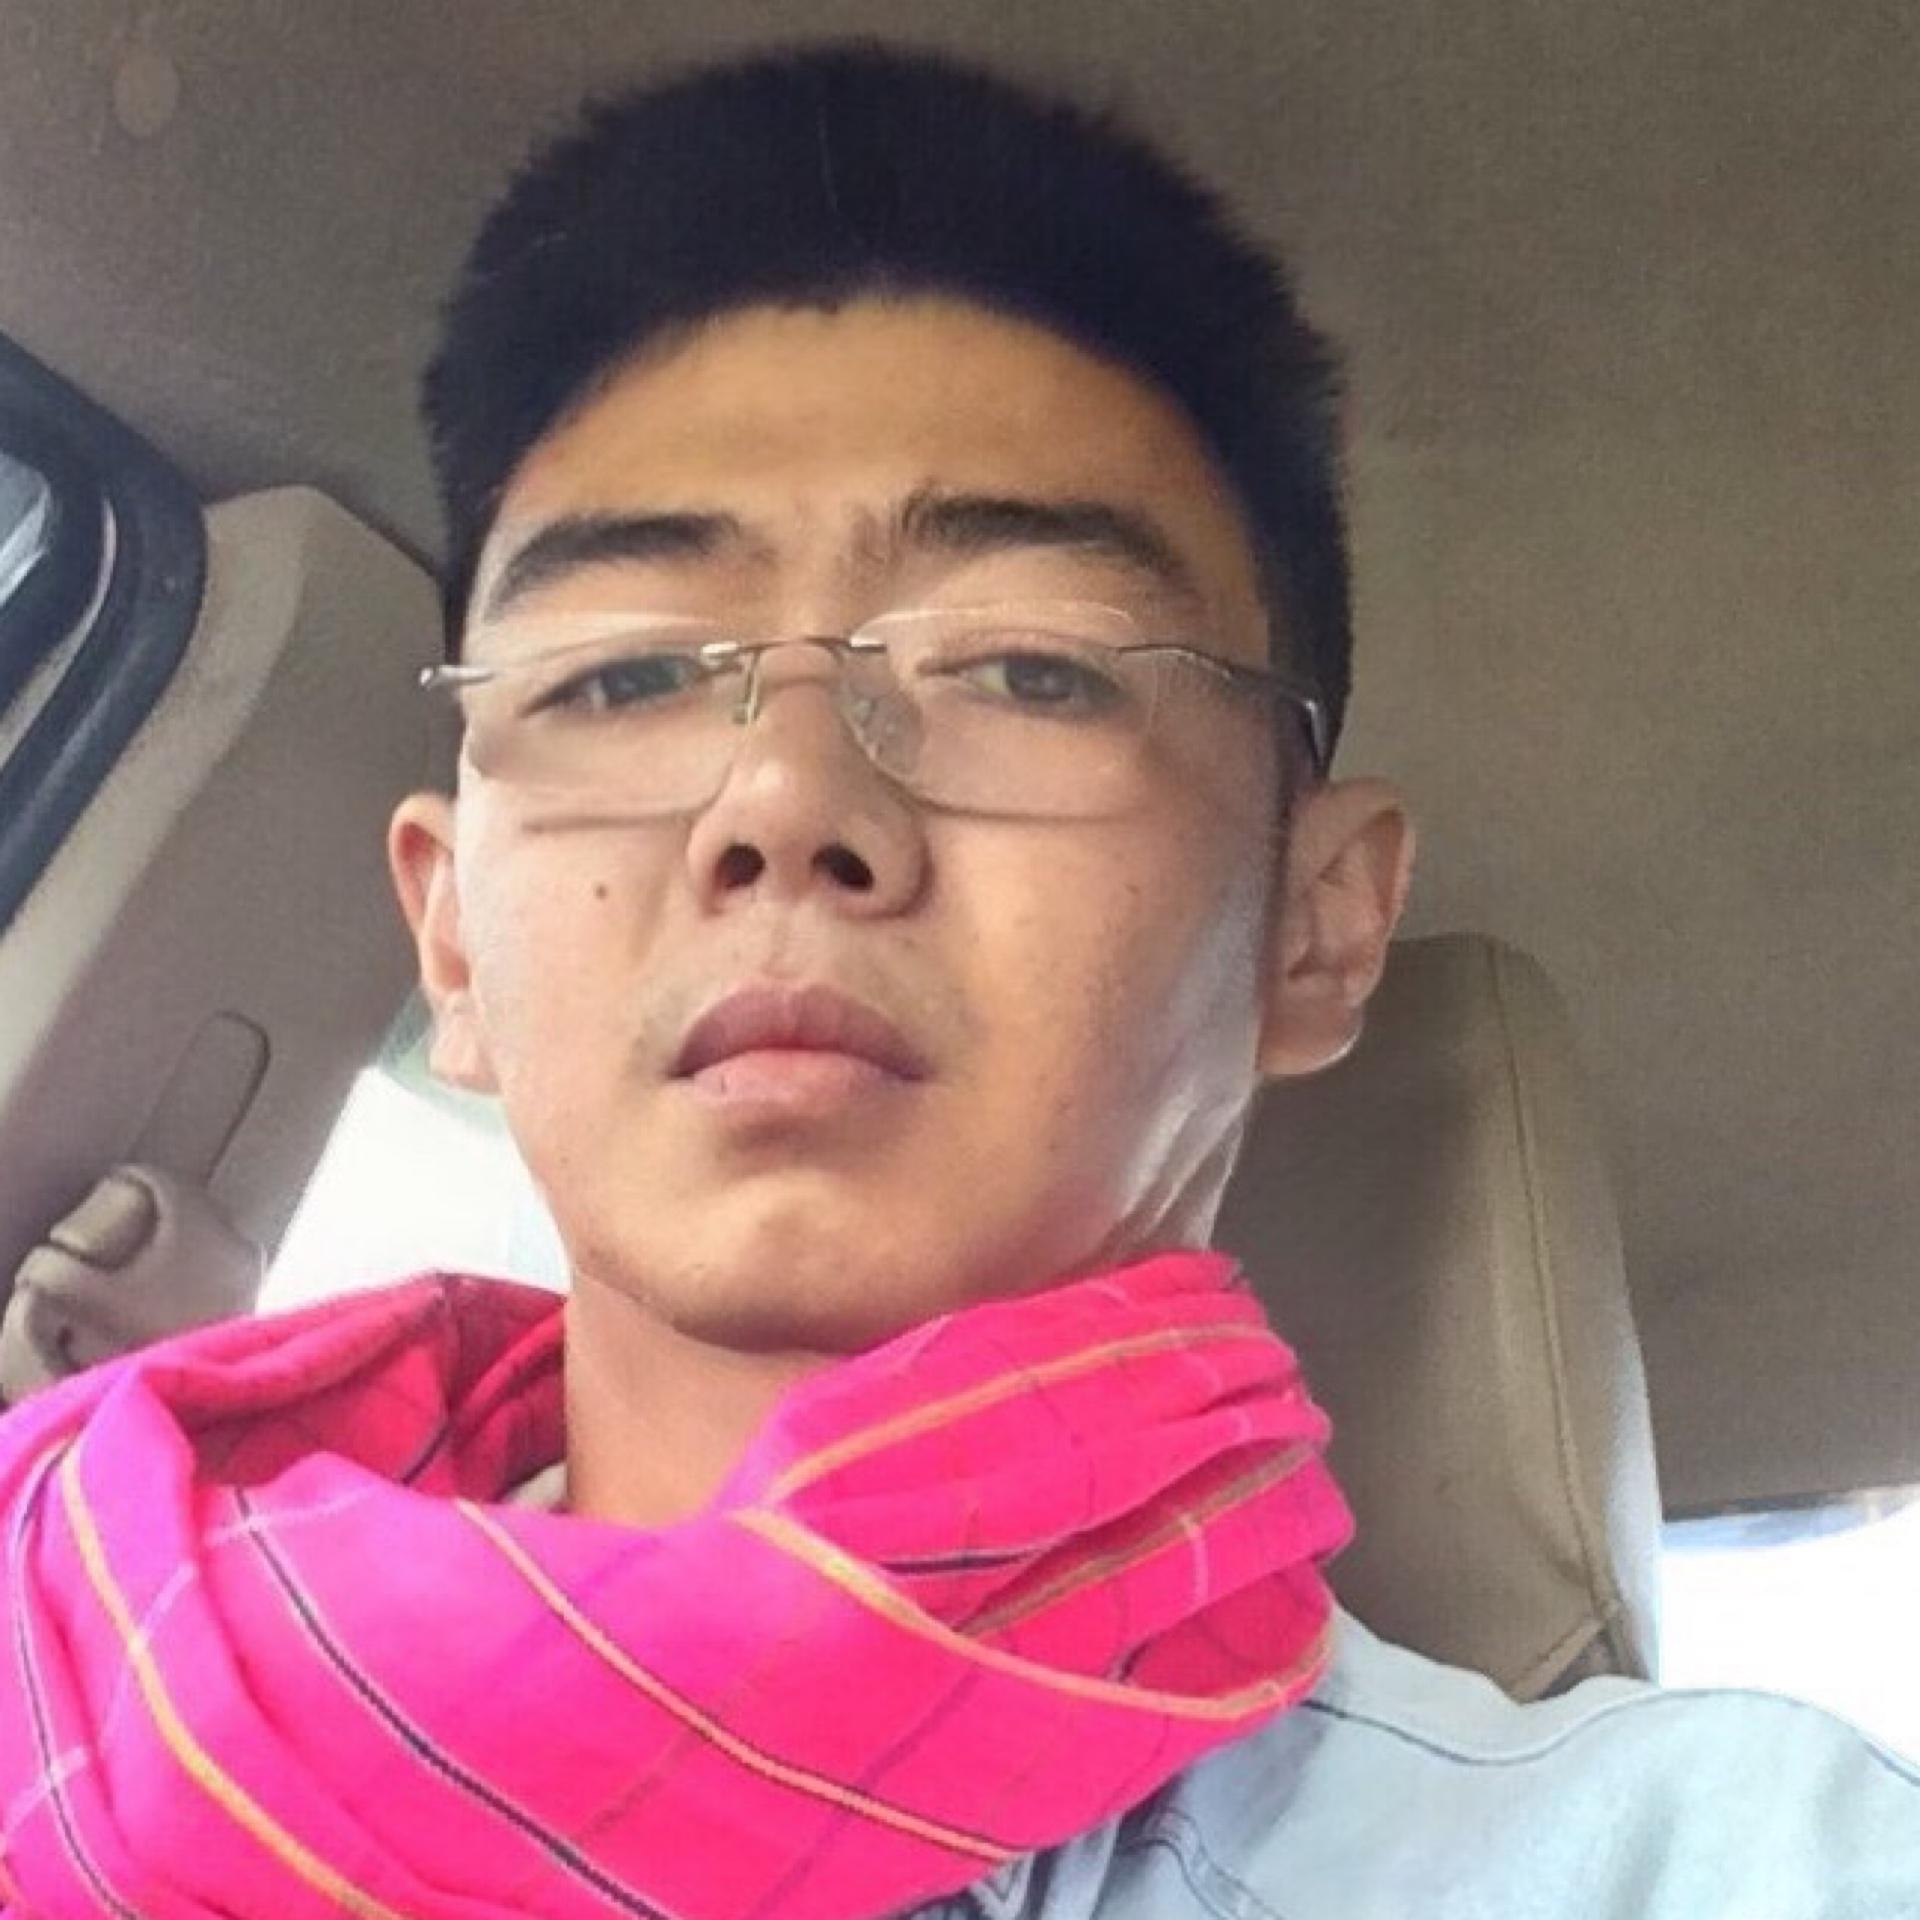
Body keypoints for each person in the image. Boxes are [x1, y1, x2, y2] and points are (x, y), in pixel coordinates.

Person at [0, 37, 1913, 1920]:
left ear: (1318, 923)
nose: (783, 801)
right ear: (450, 939)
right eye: (625, 673)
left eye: (1027, 668)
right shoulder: (63, 1672)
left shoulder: (1707, 1863)